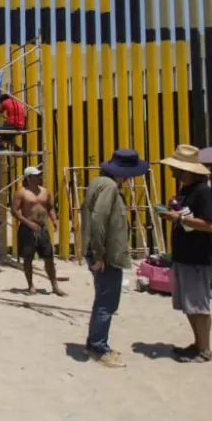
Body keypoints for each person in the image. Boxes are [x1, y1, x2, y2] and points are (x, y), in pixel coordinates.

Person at [80, 149, 149, 368]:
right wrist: (99, 254)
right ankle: (98, 348)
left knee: (103, 299)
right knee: (107, 302)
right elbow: (98, 219)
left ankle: (96, 342)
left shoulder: (98, 183)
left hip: (99, 252)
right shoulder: (109, 187)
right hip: (106, 255)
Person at [157, 144, 212, 364]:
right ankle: (197, 344)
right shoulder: (187, 191)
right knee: (190, 305)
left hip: (199, 256)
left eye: (177, 168)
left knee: (198, 305)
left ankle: (204, 349)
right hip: (185, 255)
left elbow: (211, 225)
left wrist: (180, 219)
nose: (173, 172)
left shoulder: (202, 191)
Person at [11, 166, 65, 296]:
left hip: (42, 228)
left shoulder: (45, 191)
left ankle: (55, 286)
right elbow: (14, 211)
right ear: (28, 178)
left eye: (39, 175)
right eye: (36, 176)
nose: (39, 177)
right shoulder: (22, 192)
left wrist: (54, 220)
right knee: (28, 258)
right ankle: (31, 285)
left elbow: (50, 207)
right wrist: (28, 223)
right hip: (27, 228)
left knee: (49, 258)